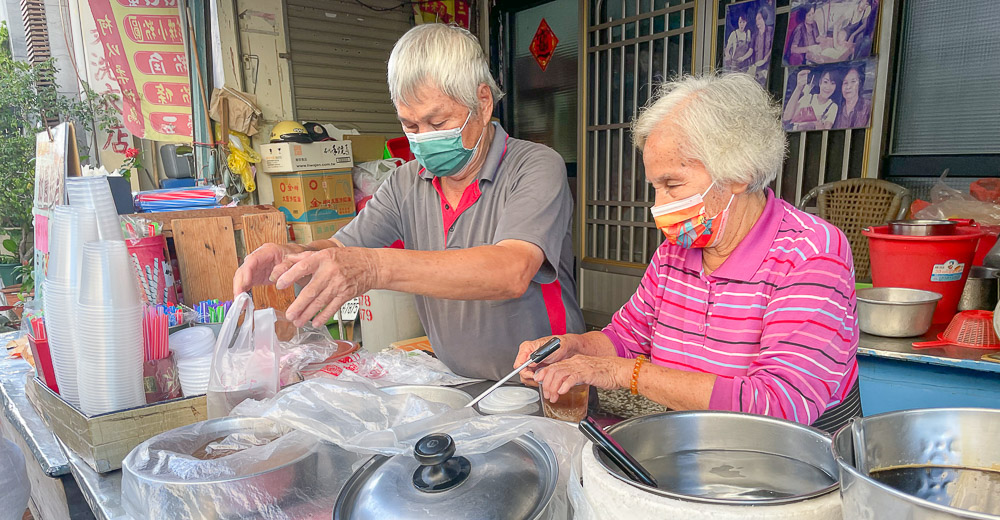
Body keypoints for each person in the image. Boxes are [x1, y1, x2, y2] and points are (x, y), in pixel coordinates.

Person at [233, 24, 585, 380]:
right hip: (461, 384)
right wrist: (296, 256)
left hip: (549, 387)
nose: (424, 139)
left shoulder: (536, 166)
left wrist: (375, 268)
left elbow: (512, 271)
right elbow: (342, 248)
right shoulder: (404, 182)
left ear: (482, 101)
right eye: (411, 126)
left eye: (438, 122)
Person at [515, 73, 860, 433]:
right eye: (655, 186)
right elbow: (626, 337)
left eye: (672, 185)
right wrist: (573, 348)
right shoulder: (675, 254)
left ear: (739, 172)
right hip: (699, 445)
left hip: (791, 464)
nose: (658, 204)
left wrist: (619, 373)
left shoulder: (813, 253)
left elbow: (779, 404)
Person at [833, 64, 872, 129]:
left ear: (860, 84)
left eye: (853, 81)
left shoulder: (868, 106)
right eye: (845, 83)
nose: (848, 87)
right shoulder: (836, 108)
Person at [747, 9, 771, 86]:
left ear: (764, 18)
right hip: (757, 66)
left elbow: (772, 48)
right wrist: (742, 58)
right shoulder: (755, 35)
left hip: (767, 66)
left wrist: (766, 58)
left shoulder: (770, 31)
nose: (757, 22)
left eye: (759, 19)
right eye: (756, 20)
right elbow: (750, 50)